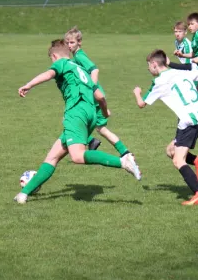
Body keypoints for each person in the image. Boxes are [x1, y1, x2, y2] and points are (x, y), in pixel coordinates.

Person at [14, 39, 141, 204]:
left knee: (77, 156)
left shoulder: (61, 64)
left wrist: (28, 85)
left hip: (76, 112)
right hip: (91, 114)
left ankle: (123, 162)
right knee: (52, 157)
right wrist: (103, 112)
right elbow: (100, 97)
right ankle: (24, 194)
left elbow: (49, 74)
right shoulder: (81, 69)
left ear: (54, 56)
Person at [133, 49, 198, 206]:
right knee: (170, 150)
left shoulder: (159, 82)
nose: (148, 69)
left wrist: (137, 92)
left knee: (178, 160)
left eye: (149, 65)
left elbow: (141, 104)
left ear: (155, 64)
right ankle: (197, 160)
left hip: (188, 120)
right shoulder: (179, 71)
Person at [65, 26, 134, 158]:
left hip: (92, 97)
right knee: (99, 128)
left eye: (72, 42)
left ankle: (94, 142)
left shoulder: (79, 56)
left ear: (79, 42)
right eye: (67, 43)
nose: (69, 45)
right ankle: (123, 152)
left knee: (72, 119)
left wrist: (92, 90)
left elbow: (95, 70)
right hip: (94, 97)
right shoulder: (76, 56)